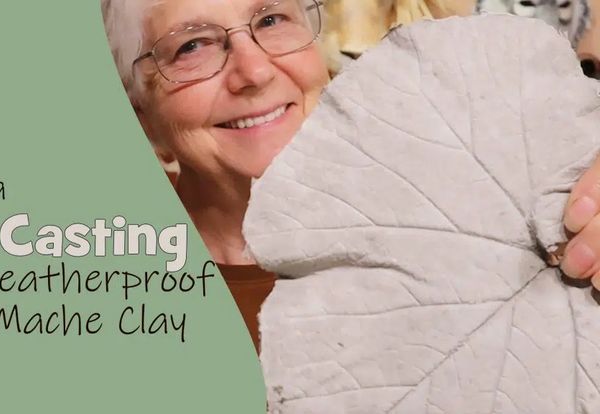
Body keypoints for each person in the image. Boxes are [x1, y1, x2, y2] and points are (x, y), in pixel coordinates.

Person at [101, 0, 600, 352]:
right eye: (191, 47)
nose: (253, 72)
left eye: (271, 18)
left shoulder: (472, 192)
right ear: (139, 114)